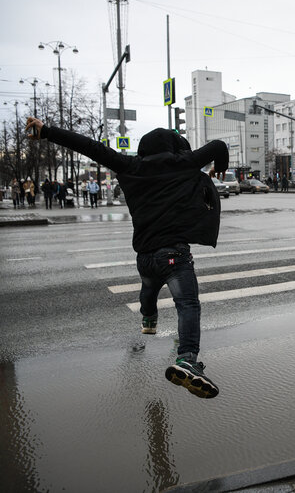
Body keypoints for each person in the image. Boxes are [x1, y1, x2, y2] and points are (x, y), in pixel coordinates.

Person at [26, 116, 228, 399]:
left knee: (149, 288)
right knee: (187, 304)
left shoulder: (130, 166)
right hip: (174, 255)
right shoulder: (183, 163)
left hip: (144, 256)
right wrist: (220, 167)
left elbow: (89, 147)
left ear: (143, 148)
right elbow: (219, 145)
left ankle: (148, 320)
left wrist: (46, 131)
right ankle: (187, 359)